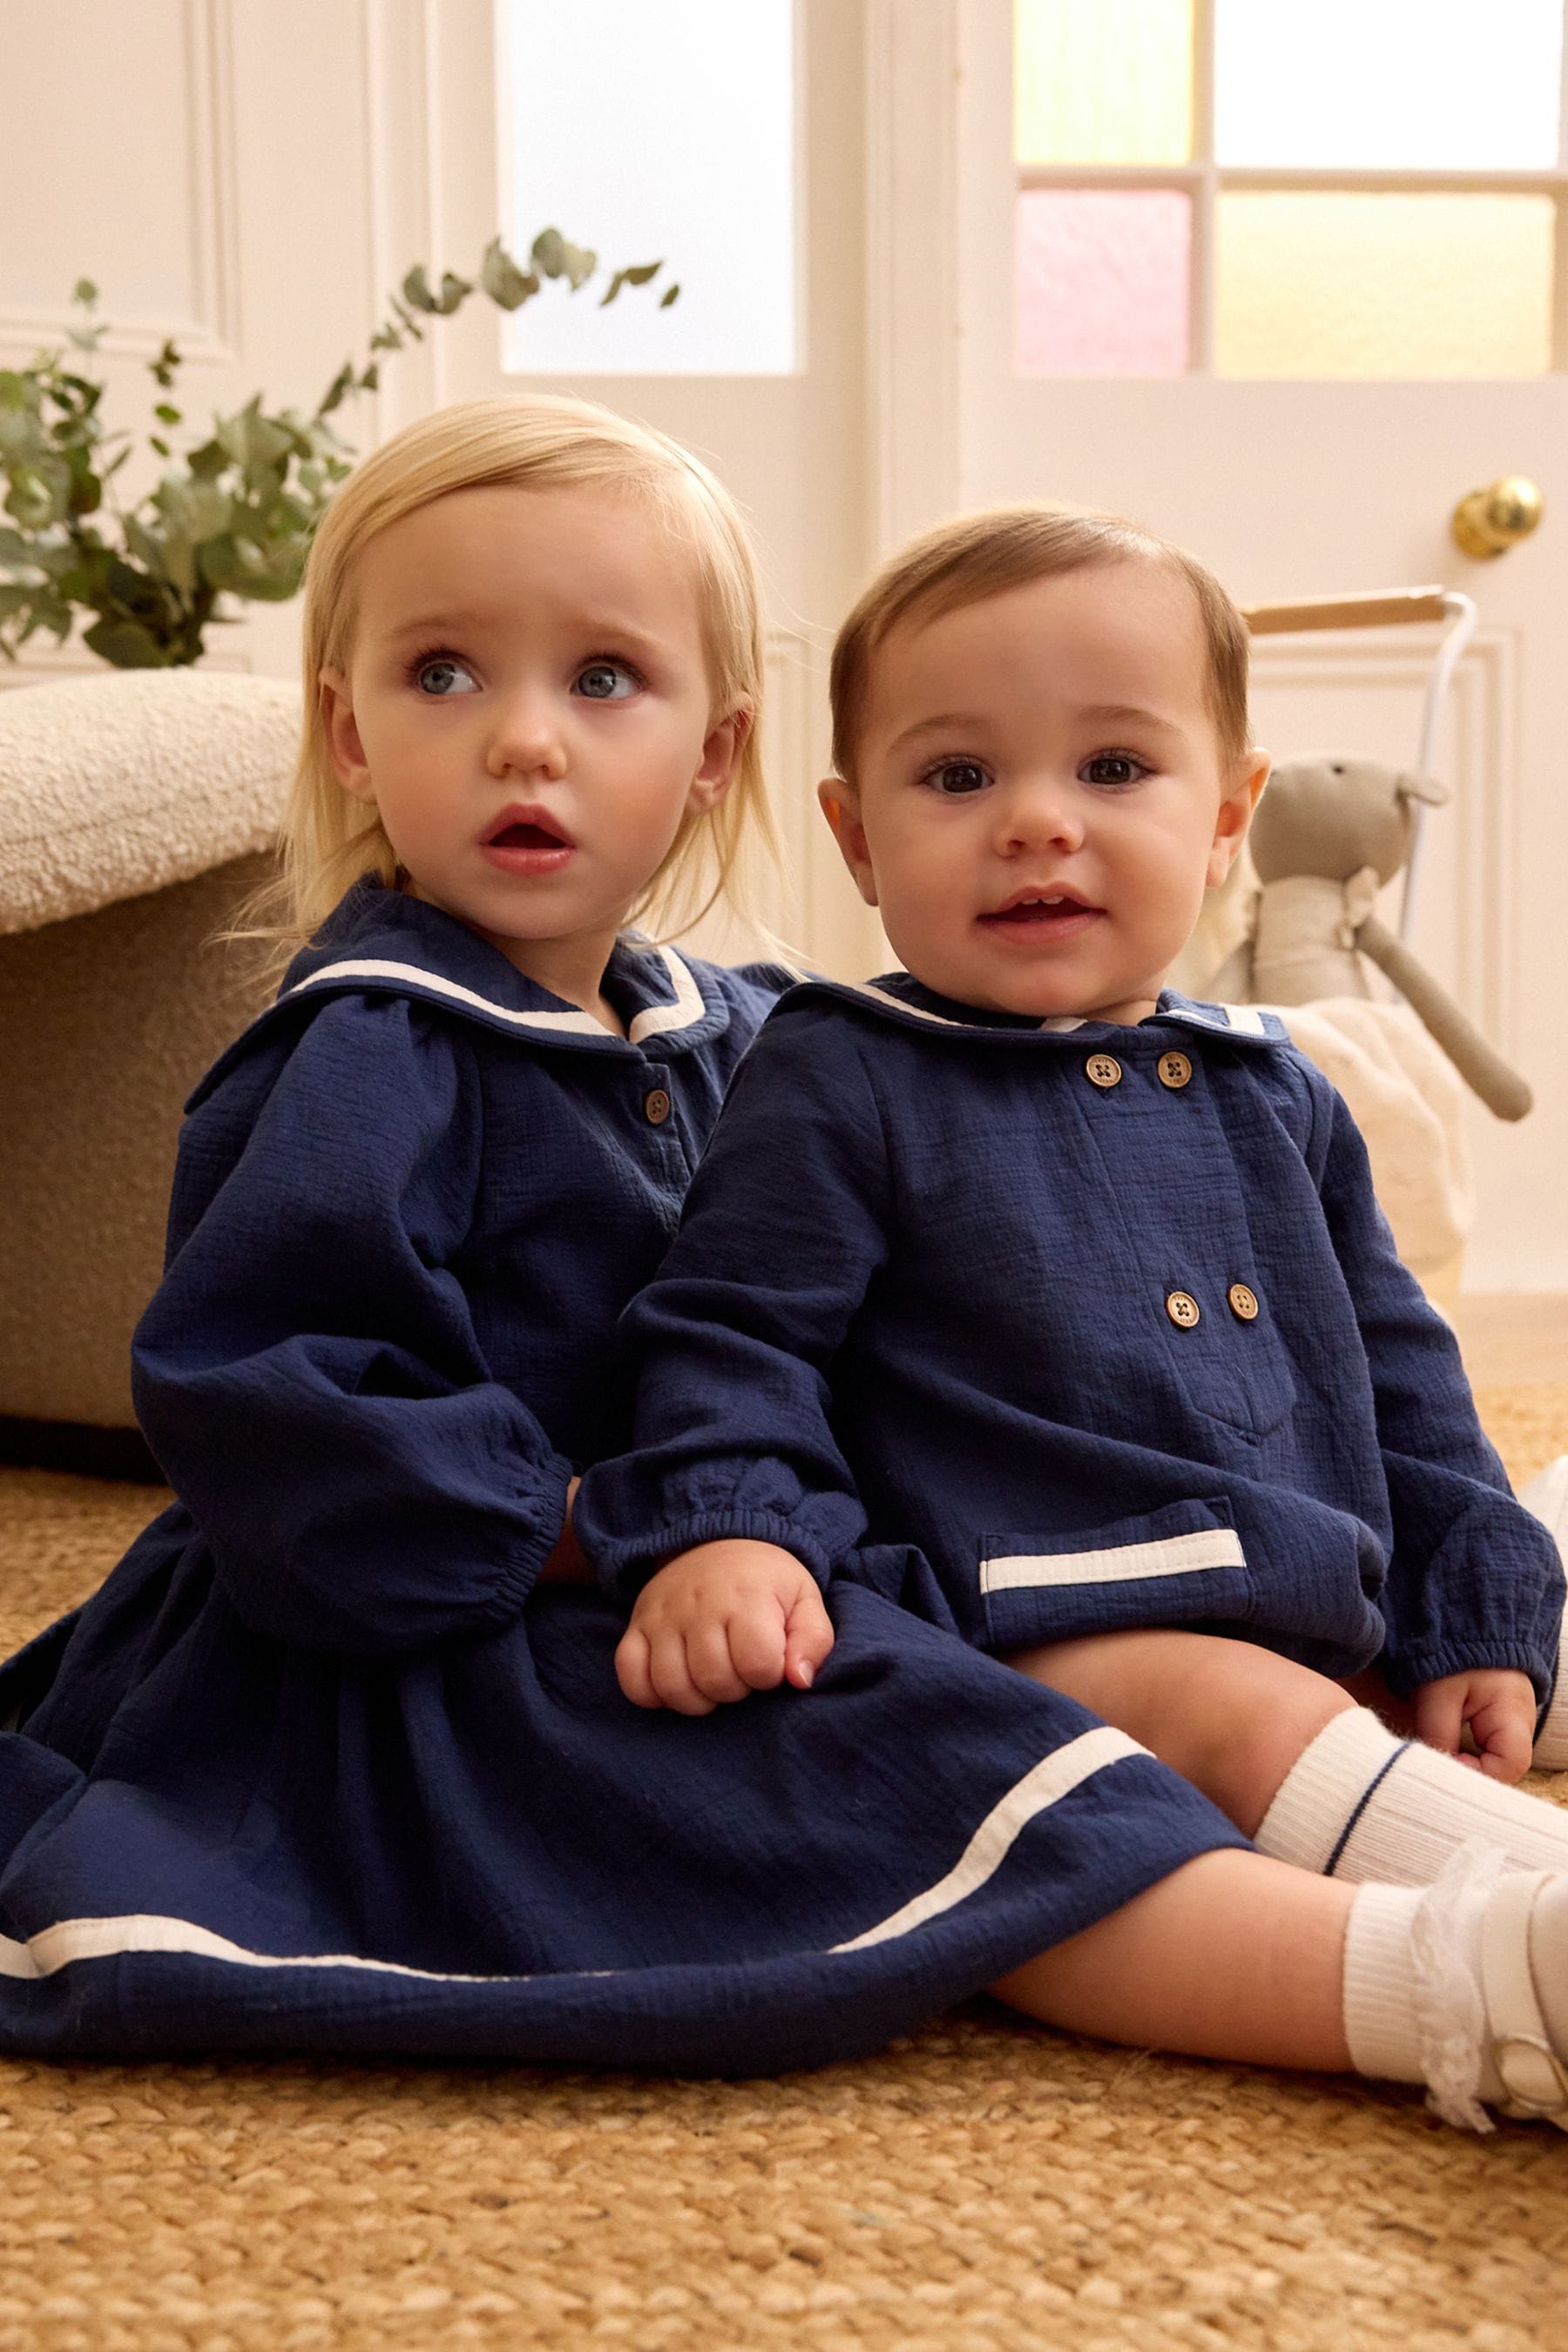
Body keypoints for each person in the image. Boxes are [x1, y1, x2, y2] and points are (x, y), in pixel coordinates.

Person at [577, 504, 1568, 2132]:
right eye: (960, 779)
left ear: (1231, 813)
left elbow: (1406, 1378)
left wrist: (1476, 1606)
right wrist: (726, 1529)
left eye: (1114, 771)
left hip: (1316, 1561)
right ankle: (1508, 1941)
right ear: (855, 835)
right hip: (1050, 1602)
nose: (1038, 824)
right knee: (1260, 1714)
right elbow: (730, 1332)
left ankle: (1439, 1736)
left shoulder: (1279, 1092)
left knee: (1516, 1621)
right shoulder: (842, 1071)